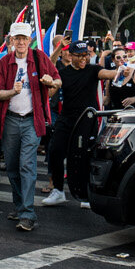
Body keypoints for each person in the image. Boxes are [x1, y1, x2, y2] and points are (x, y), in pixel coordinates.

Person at [0, 23, 58, 231]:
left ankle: (28, 213)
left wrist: (50, 81)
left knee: (27, 165)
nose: (20, 42)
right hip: (9, 119)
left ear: (30, 41)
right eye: (16, 38)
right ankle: (19, 206)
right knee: (11, 166)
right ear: (11, 40)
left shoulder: (39, 58)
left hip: (31, 120)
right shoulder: (4, 62)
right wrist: (12, 91)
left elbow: (58, 80)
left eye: (24, 39)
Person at [42, 40, 103, 208]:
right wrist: (59, 47)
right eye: (80, 56)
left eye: (86, 55)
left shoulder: (93, 70)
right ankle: (58, 191)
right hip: (66, 118)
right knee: (55, 152)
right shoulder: (64, 72)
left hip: (86, 120)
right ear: (71, 55)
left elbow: (107, 73)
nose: (84, 59)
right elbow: (49, 66)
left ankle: (84, 195)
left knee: (81, 157)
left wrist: (122, 71)